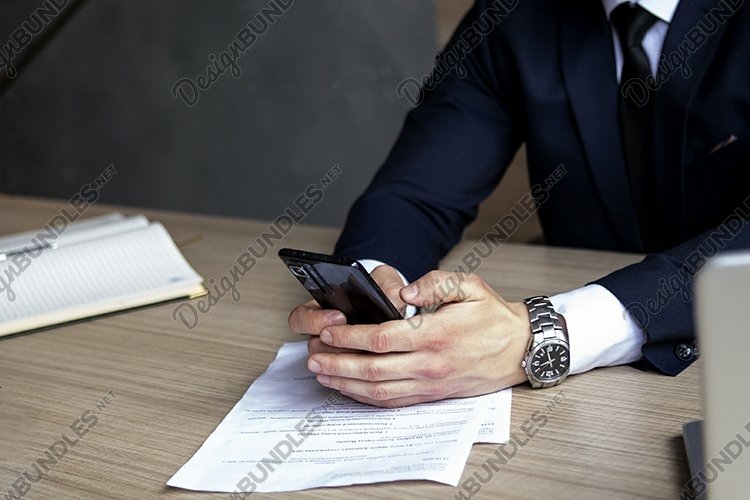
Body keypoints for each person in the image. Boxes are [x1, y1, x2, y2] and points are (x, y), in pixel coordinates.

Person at [288, 0, 750, 407]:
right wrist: (375, 291)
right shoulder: (514, 12)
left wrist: (546, 333)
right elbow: (417, 190)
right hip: (590, 403)